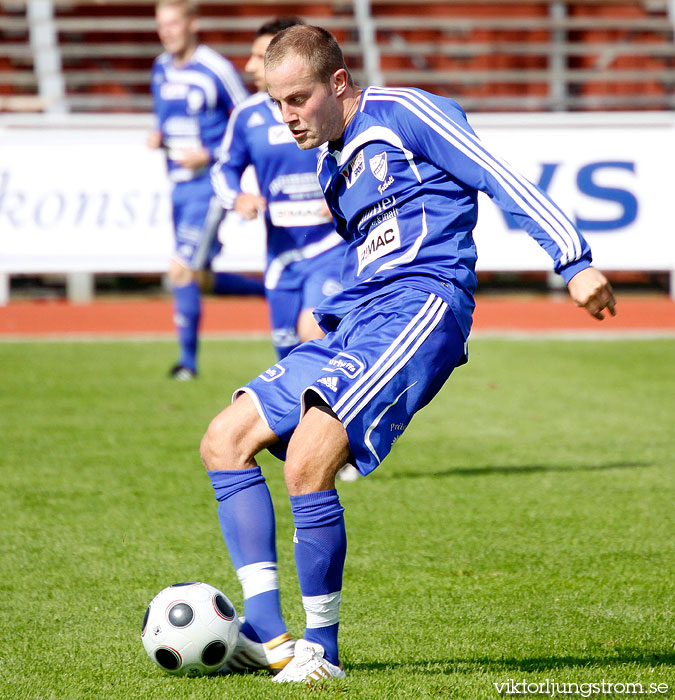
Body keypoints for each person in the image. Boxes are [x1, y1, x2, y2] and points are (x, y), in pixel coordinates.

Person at [200, 25, 617, 683]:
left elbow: (499, 177)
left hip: (424, 306)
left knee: (308, 458)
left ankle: (320, 652)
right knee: (224, 439)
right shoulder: (330, 164)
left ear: (338, 82)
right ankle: (269, 638)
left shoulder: (404, 114)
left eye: (299, 99)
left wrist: (573, 260)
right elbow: (364, 250)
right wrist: (330, 306)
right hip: (360, 317)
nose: (287, 117)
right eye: (278, 102)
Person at [211, 17, 346, 360]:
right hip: (281, 254)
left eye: (261, 56)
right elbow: (224, 170)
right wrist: (238, 197)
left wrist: (341, 199)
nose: (251, 65)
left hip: (330, 247)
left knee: (313, 334)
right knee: (286, 356)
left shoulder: (325, 110)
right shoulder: (246, 116)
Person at [148, 0, 262, 380]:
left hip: (209, 185)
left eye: (173, 24)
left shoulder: (215, 69)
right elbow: (165, 119)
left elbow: (250, 120)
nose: (166, 32)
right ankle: (272, 291)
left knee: (179, 269)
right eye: (161, 25)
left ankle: (187, 364)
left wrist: (209, 154)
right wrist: (158, 136)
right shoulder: (161, 68)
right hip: (178, 185)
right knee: (197, 276)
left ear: (192, 24)